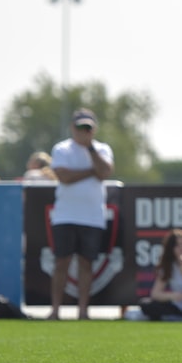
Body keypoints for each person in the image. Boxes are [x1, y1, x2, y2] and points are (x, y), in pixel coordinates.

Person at [47, 108, 114, 320]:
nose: (83, 131)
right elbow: (63, 176)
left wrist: (91, 151)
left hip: (92, 216)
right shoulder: (62, 148)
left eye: (88, 127)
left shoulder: (102, 149)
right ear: (72, 127)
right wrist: (90, 172)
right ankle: (56, 310)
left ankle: (83, 311)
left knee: (87, 263)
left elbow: (104, 172)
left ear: (93, 129)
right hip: (65, 215)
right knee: (61, 263)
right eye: (80, 127)